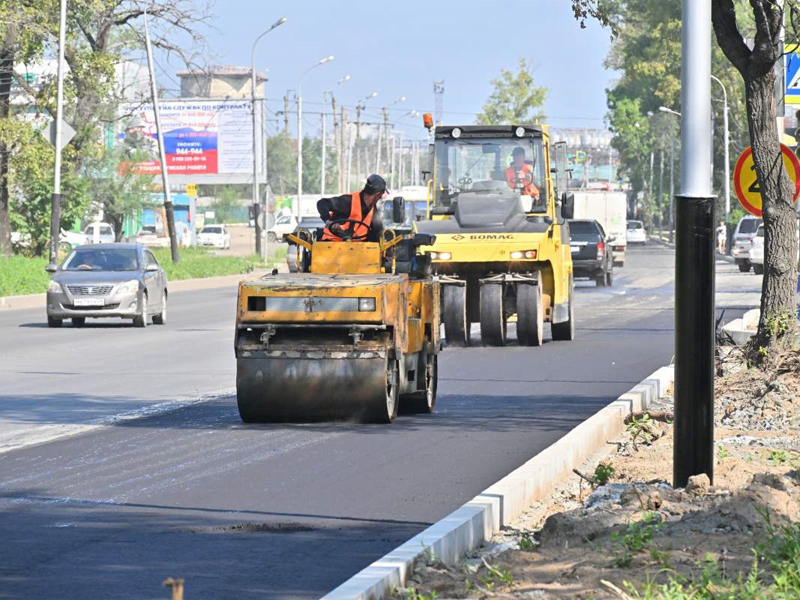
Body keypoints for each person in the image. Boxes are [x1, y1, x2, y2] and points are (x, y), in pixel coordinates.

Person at [317, 174, 387, 242]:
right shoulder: (348, 201)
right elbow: (322, 203)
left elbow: (377, 231)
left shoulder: (373, 210)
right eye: (382, 193)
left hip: (358, 250)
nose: (381, 197)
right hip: (331, 246)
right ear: (378, 194)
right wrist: (328, 221)